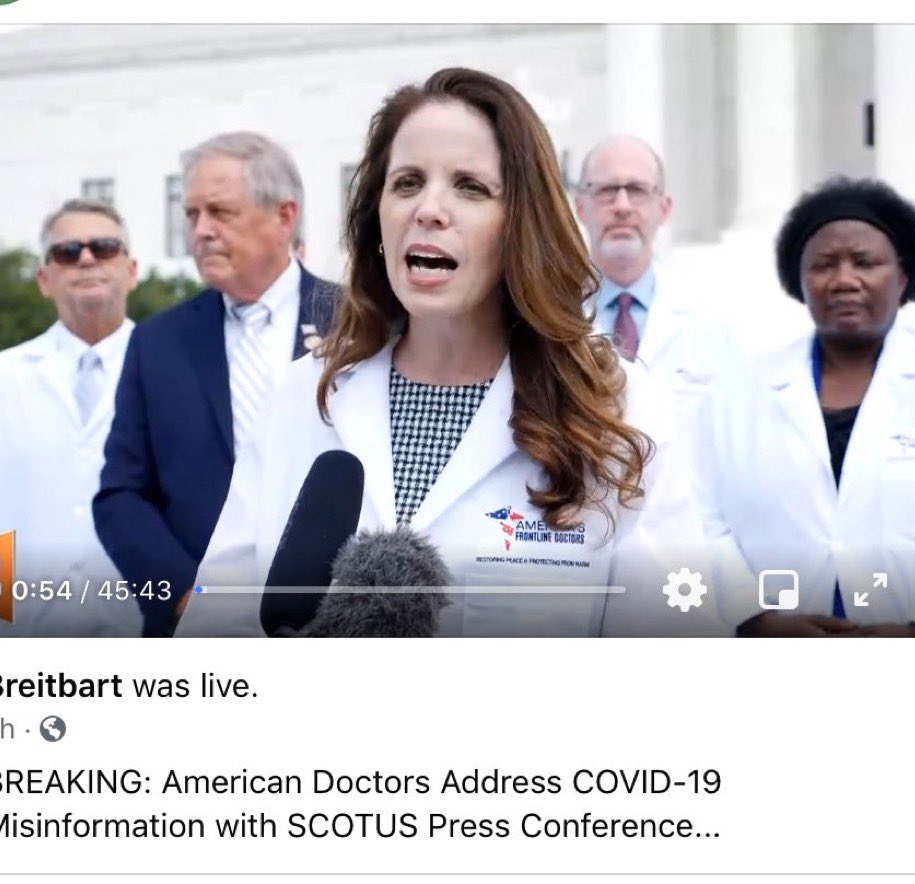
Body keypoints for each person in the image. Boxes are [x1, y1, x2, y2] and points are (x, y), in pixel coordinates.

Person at [188, 68, 723, 638]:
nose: (429, 209)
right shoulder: (302, 396)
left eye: (470, 186)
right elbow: (214, 618)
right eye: (408, 182)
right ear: (377, 219)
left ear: (521, 224)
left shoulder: (618, 405)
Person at [696, 177, 915, 637]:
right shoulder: (735, 393)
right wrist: (755, 618)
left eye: (865, 262)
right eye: (824, 265)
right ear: (799, 280)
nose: (844, 280)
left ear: (903, 276)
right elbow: (701, 520)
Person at [93, 132, 337, 637]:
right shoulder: (158, 342)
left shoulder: (360, 325)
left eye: (220, 212)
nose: (199, 231)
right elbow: (121, 494)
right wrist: (184, 596)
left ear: (284, 217)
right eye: (191, 215)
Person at [0, 198, 142, 636]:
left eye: (104, 247)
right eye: (67, 252)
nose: (86, 259)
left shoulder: (172, 373)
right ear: (44, 279)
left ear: (131, 270)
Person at [574, 136, 726, 404]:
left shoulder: (712, 319)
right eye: (607, 190)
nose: (622, 206)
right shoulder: (548, 315)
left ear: (664, 209)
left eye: (637, 190)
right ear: (581, 207)